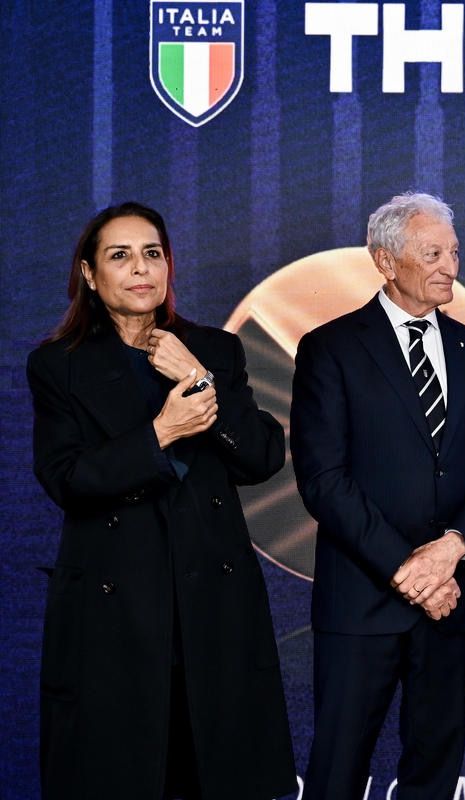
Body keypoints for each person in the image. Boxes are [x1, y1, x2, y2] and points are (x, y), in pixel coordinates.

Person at [28, 202, 296, 800]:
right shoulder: (58, 365)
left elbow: (260, 457)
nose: (140, 268)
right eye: (119, 256)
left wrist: (198, 377)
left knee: (215, 778)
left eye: (152, 254)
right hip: (114, 614)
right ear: (90, 274)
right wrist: (161, 433)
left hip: (212, 608)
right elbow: (67, 478)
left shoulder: (213, 350)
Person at [291, 192, 465, 800]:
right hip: (362, 600)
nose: (450, 266)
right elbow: (324, 480)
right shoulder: (331, 348)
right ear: (386, 261)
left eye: (454, 252)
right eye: (433, 253)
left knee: (434, 774)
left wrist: (450, 549)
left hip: (452, 602)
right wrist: (409, 570)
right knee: (337, 770)